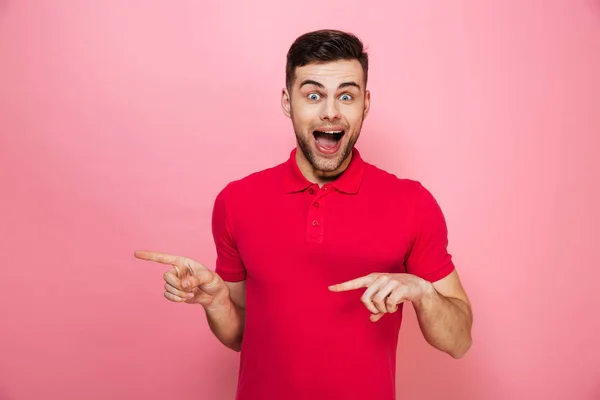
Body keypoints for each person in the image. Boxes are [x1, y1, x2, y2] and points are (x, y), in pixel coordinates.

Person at [135, 29, 473, 400]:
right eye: (313, 95)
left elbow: (458, 342)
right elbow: (240, 337)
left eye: (347, 95)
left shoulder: (411, 202)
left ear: (365, 104)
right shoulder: (237, 201)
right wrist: (216, 302)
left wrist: (423, 293)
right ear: (287, 102)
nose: (330, 111)